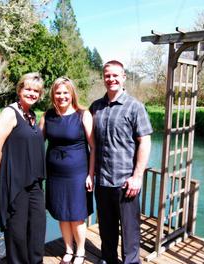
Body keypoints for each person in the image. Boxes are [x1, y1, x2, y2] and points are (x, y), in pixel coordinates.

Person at [90, 60, 153, 264]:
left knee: (130, 230)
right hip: (102, 181)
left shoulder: (135, 107)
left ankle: (131, 261)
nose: (111, 79)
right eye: (107, 75)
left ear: (123, 77)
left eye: (115, 75)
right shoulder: (96, 107)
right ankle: (108, 259)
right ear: (103, 78)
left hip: (126, 182)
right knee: (106, 227)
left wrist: (137, 176)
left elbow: (145, 142)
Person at [0, 72, 46, 264]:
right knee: (17, 235)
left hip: (35, 185)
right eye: (28, 89)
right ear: (19, 89)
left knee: (37, 230)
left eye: (36, 90)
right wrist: (6, 178)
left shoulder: (31, 115)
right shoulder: (9, 113)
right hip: (16, 186)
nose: (32, 93)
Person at [39, 77, 95, 264]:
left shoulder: (83, 115)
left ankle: (80, 251)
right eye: (58, 92)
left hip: (78, 175)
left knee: (77, 215)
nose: (62, 96)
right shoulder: (47, 116)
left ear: (72, 94)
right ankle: (68, 249)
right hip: (55, 175)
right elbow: (36, 143)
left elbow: (93, 147)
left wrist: (91, 175)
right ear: (53, 95)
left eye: (65, 92)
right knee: (62, 213)